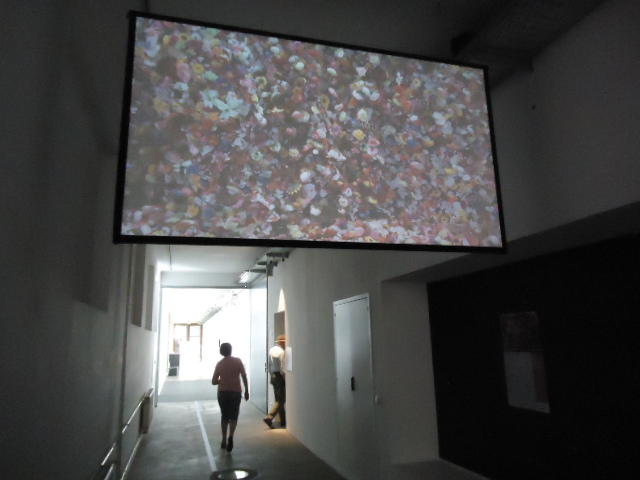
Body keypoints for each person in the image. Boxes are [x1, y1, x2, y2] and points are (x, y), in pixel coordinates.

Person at [211, 342, 249, 452]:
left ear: (221, 351)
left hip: (223, 393)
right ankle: (231, 436)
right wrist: (246, 391)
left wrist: (221, 380)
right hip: (235, 393)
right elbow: (244, 376)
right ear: (231, 350)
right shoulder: (238, 361)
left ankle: (223, 439)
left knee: (224, 416)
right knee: (234, 416)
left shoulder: (219, 364)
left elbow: (213, 381)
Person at [263, 334, 286, 428]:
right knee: (281, 400)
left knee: (278, 400)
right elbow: (282, 368)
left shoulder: (271, 350)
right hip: (279, 376)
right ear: (282, 342)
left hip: (273, 376)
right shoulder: (282, 352)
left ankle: (283, 421)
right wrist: (284, 378)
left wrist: (271, 374)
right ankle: (269, 417)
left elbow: (268, 365)